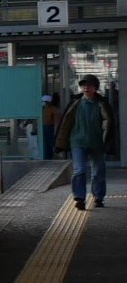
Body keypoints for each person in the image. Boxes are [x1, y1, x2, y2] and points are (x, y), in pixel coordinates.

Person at [61, 73, 111, 210]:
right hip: (77, 141)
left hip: (97, 143)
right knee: (79, 170)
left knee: (98, 171)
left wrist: (106, 139)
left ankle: (98, 197)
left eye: (89, 85)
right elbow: (65, 123)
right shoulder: (75, 103)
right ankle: (79, 198)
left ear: (96, 88)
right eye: (83, 85)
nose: (86, 87)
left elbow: (109, 123)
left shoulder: (102, 104)